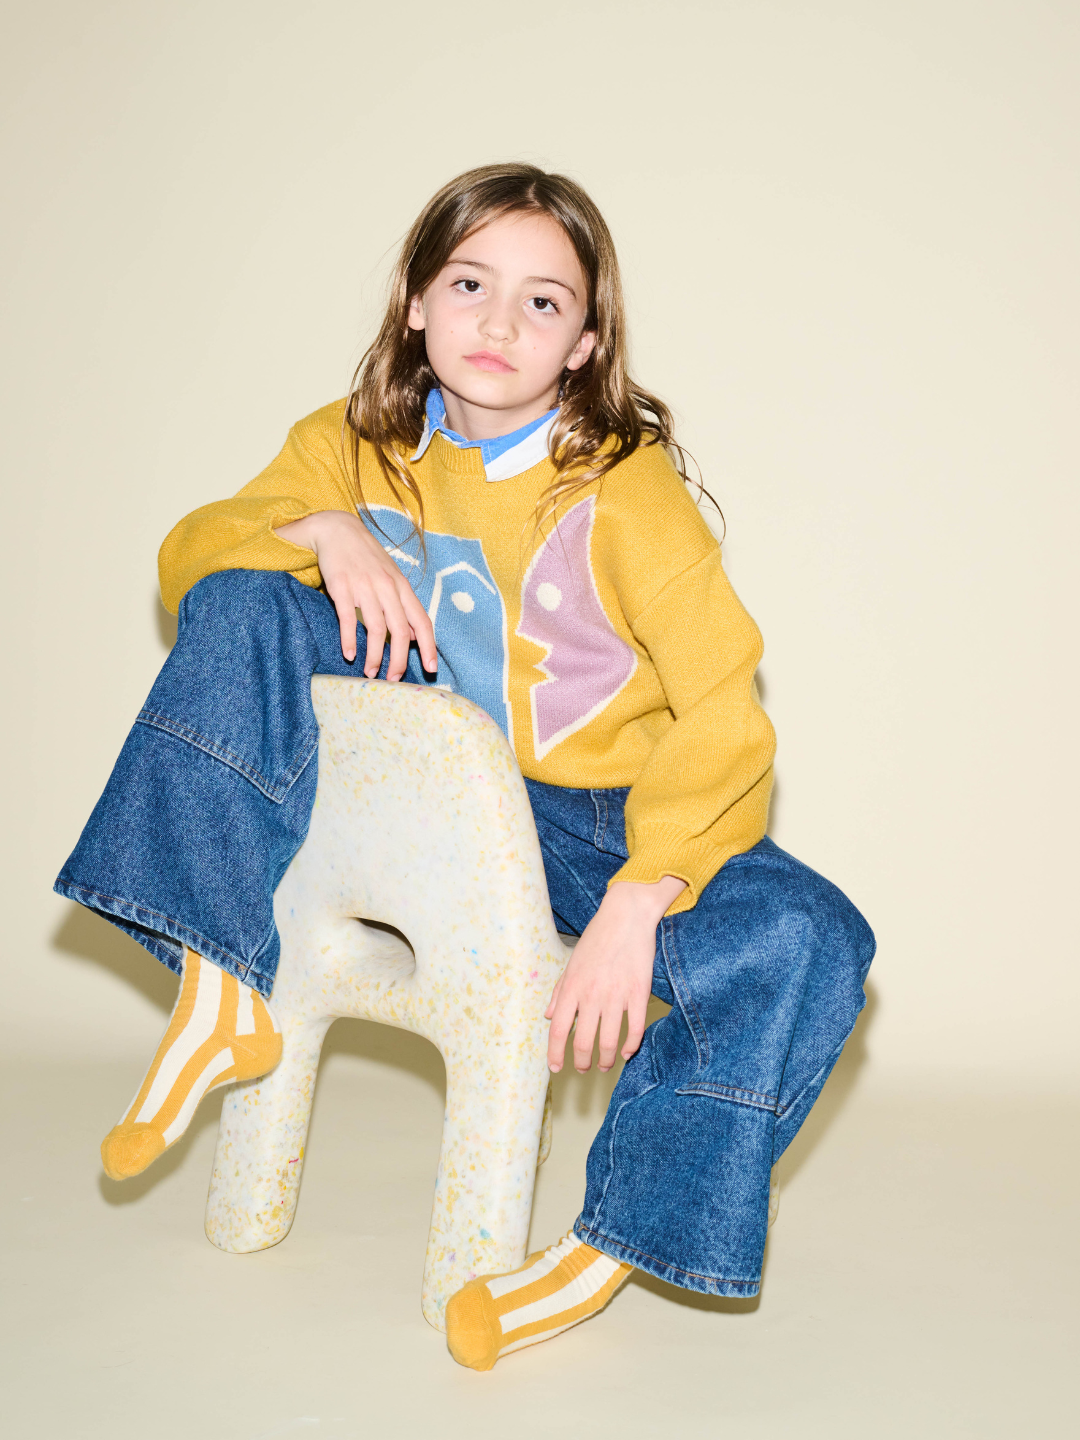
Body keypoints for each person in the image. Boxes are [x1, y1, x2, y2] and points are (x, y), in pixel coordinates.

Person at [55, 162, 875, 1370]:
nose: (500, 322)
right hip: (411, 805)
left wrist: (644, 895)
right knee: (244, 592)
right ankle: (219, 987)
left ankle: (602, 1257)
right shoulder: (351, 447)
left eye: (543, 303)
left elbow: (723, 711)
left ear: (585, 342)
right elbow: (190, 555)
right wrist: (323, 530)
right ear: (414, 301)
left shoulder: (624, 491)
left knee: (813, 935)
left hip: (591, 821)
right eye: (471, 283)